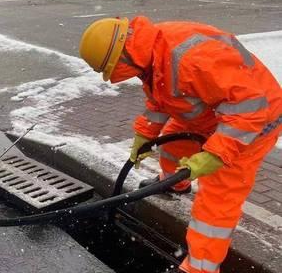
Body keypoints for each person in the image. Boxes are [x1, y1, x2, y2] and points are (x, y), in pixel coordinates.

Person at [79, 16, 281, 273]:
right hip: (215, 113)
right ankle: (176, 184)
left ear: (123, 59)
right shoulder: (149, 51)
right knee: (173, 146)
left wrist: (216, 154)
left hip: (255, 122)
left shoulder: (192, 58)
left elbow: (249, 108)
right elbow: (161, 96)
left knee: (216, 199)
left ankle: (200, 268)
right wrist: (145, 134)